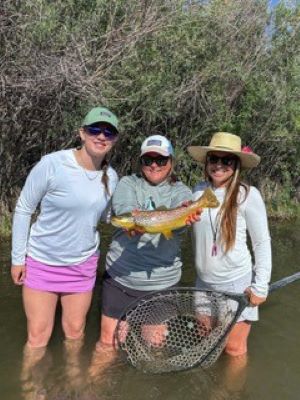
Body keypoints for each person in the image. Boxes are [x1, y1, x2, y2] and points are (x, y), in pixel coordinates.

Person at [10, 107, 119, 388]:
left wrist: (140, 223)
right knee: (37, 336)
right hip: (42, 261)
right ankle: (31, 388)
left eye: (109, 132)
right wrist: (17, 259)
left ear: (114, 140)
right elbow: (23, 209)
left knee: (75, 333)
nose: (101, 136)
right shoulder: (53, 164)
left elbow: (106, 217)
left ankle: (74, 380)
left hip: (82, 264)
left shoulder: (112, 177)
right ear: (82, 133)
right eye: (95, 129)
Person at [89, 134, 199, 377]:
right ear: (140, 161)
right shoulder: (128, 184)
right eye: (148, 159)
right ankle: (93, 388)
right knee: (109, 343)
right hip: (121, 280)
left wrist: (186, 213)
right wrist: (133, 221)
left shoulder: (180, 190)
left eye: (161, 160)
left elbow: (184, 206)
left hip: (162, 283)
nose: (154, 165)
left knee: (155, 346)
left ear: (171, 162)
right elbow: (125, 212)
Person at [188, 132, 272, 359]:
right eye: (214, 158)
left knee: (234, 350)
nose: (219, 165)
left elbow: (262, 242)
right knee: (204, 338)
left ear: (236, 164)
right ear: (206, 162)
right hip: (203, 282)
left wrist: (260, 285)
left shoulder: (247, 195)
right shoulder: (197, 191)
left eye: (227, 160)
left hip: (236, 284)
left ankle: (230, 393)